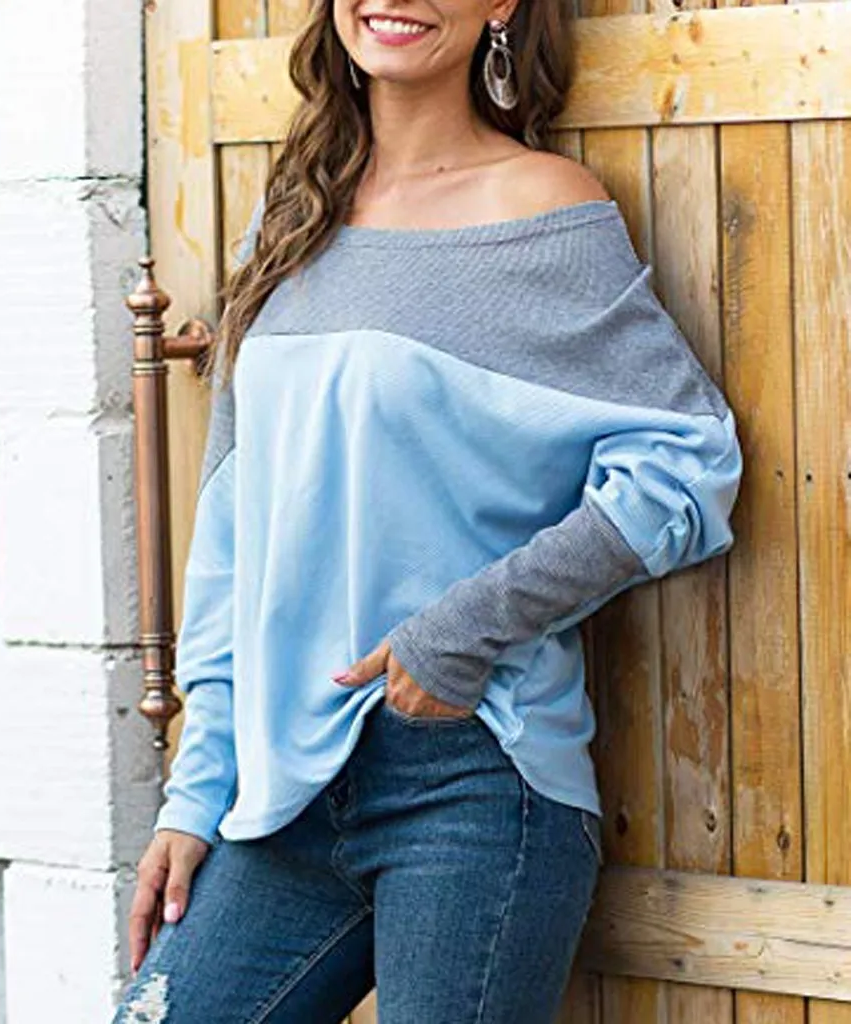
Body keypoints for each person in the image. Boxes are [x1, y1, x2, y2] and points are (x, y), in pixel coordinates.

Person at [113, 0, 743, 1020]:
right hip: (281, 793)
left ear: (501, 5)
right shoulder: (291, 218)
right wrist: (198, 791)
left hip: (469, 781)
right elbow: (233, 532)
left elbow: (687, 461)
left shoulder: (538, 206)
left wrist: (459, 633)